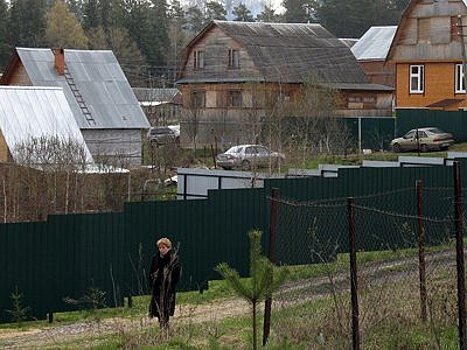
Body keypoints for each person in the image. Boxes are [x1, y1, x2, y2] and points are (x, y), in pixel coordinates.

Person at [149, 237, 181, 329]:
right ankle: (162, 327)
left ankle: (165, 328)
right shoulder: (155, 258)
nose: (161, 250)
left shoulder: (173, 259)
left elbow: (176, 275)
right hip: (157, 288)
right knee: (158, 310)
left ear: (168, 248)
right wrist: (152, 284)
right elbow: (151, 272)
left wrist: (171, 285)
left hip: (168, 289)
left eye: (163, 247)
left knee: (166, 310)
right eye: (160, 248)